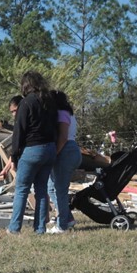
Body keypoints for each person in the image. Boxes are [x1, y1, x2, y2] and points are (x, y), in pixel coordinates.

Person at [7, 71, 57, 234]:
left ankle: (14, 228)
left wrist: (14, 155)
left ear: (26, 85)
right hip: (50, 149)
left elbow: (19, 131)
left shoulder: (26, 103)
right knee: (41, 189)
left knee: (22, 189)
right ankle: (40, 228)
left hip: (32, 150)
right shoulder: (50, 102)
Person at [47, 91, 80, 233]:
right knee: (51, 188)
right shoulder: (69, 114)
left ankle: (62, 226)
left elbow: (63, 137)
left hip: (66, 151)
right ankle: (68, 218)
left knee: (60, 190)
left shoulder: (62, 114)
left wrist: (54, 154)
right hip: (69, 150)